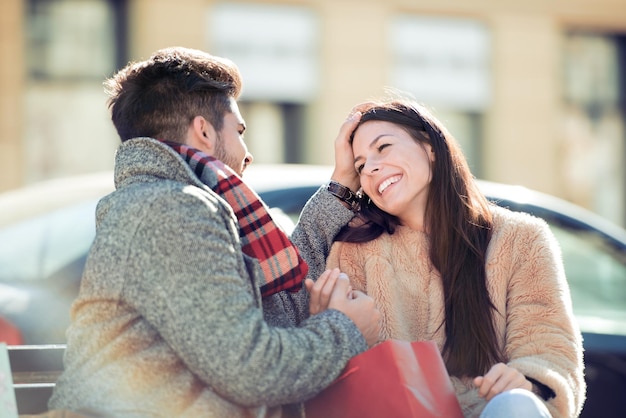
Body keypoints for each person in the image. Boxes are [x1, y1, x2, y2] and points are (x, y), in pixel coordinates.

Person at [48, 46, 380, 418]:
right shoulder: (171, 210)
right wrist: (345, 328)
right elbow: (252, 371)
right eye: (239, 131)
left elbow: (279, 303)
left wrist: (340, 188)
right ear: (204, 131)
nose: (247, 152)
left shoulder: (166, 202)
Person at [319, 98, 585, 418]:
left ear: (430, 146)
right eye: (360, 166)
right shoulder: (353, 250)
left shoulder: (521, 239)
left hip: (493, 412)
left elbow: (550, 348)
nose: (371, 168)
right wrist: (333, 327)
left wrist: (526, 380)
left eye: (383, 147)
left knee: (516, 405)